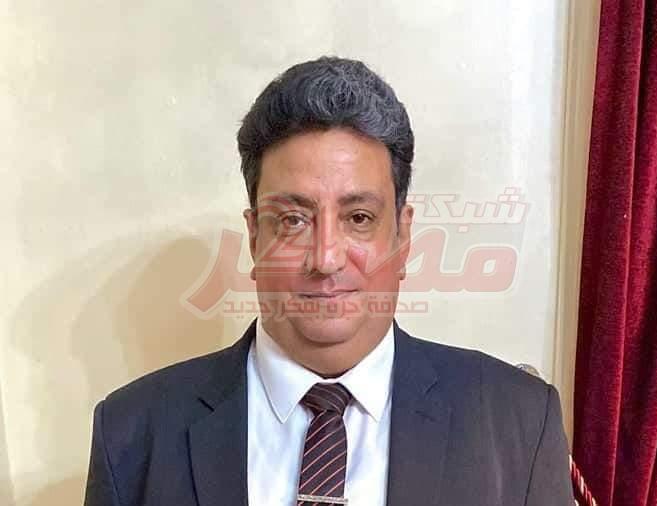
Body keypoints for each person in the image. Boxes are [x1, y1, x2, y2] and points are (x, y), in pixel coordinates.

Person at [84, 56, 574, 505]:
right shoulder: (131, 434)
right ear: (254, 238)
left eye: (359, 218)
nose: (326, 258)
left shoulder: (519, 423)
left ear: (402, 236)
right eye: (293, 220)